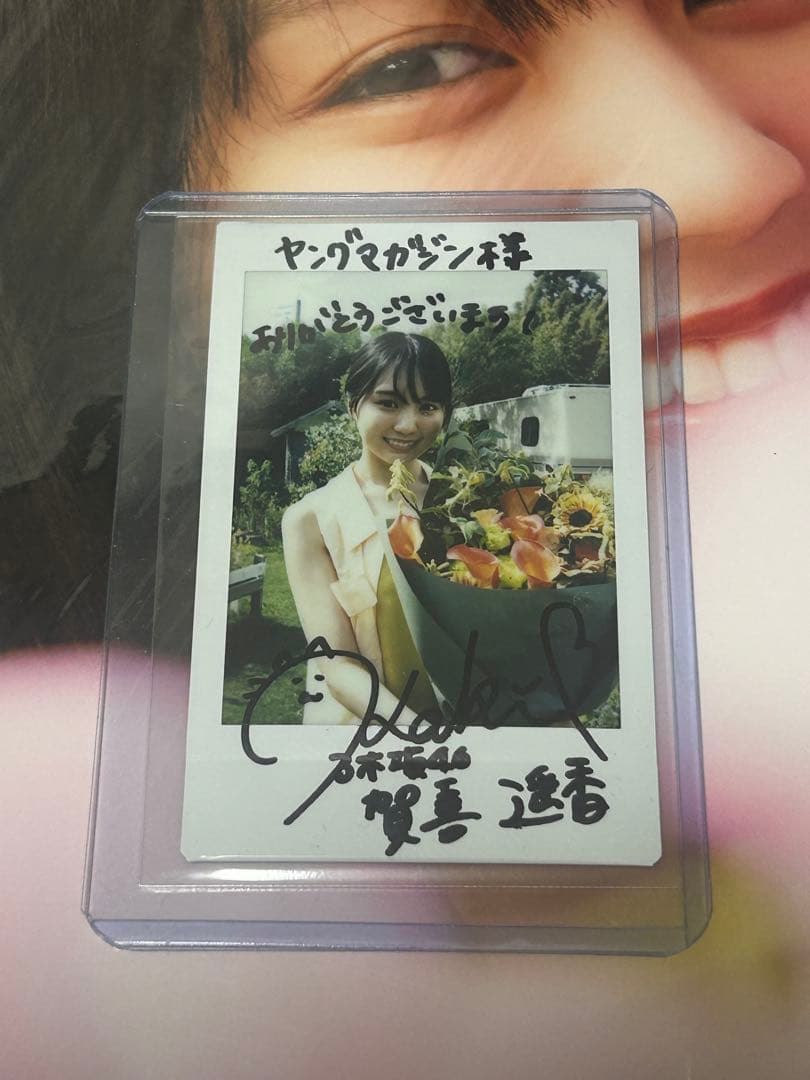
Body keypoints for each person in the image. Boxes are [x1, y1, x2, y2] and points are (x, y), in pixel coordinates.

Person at [282, 332, 452, 724]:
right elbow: (339, 667)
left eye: (427, 406)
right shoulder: (312, 519)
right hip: (365, 734)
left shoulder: (463, 499)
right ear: (353, 405)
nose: (408, 425)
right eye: (388, 403)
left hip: (465, 726)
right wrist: (423, 736)